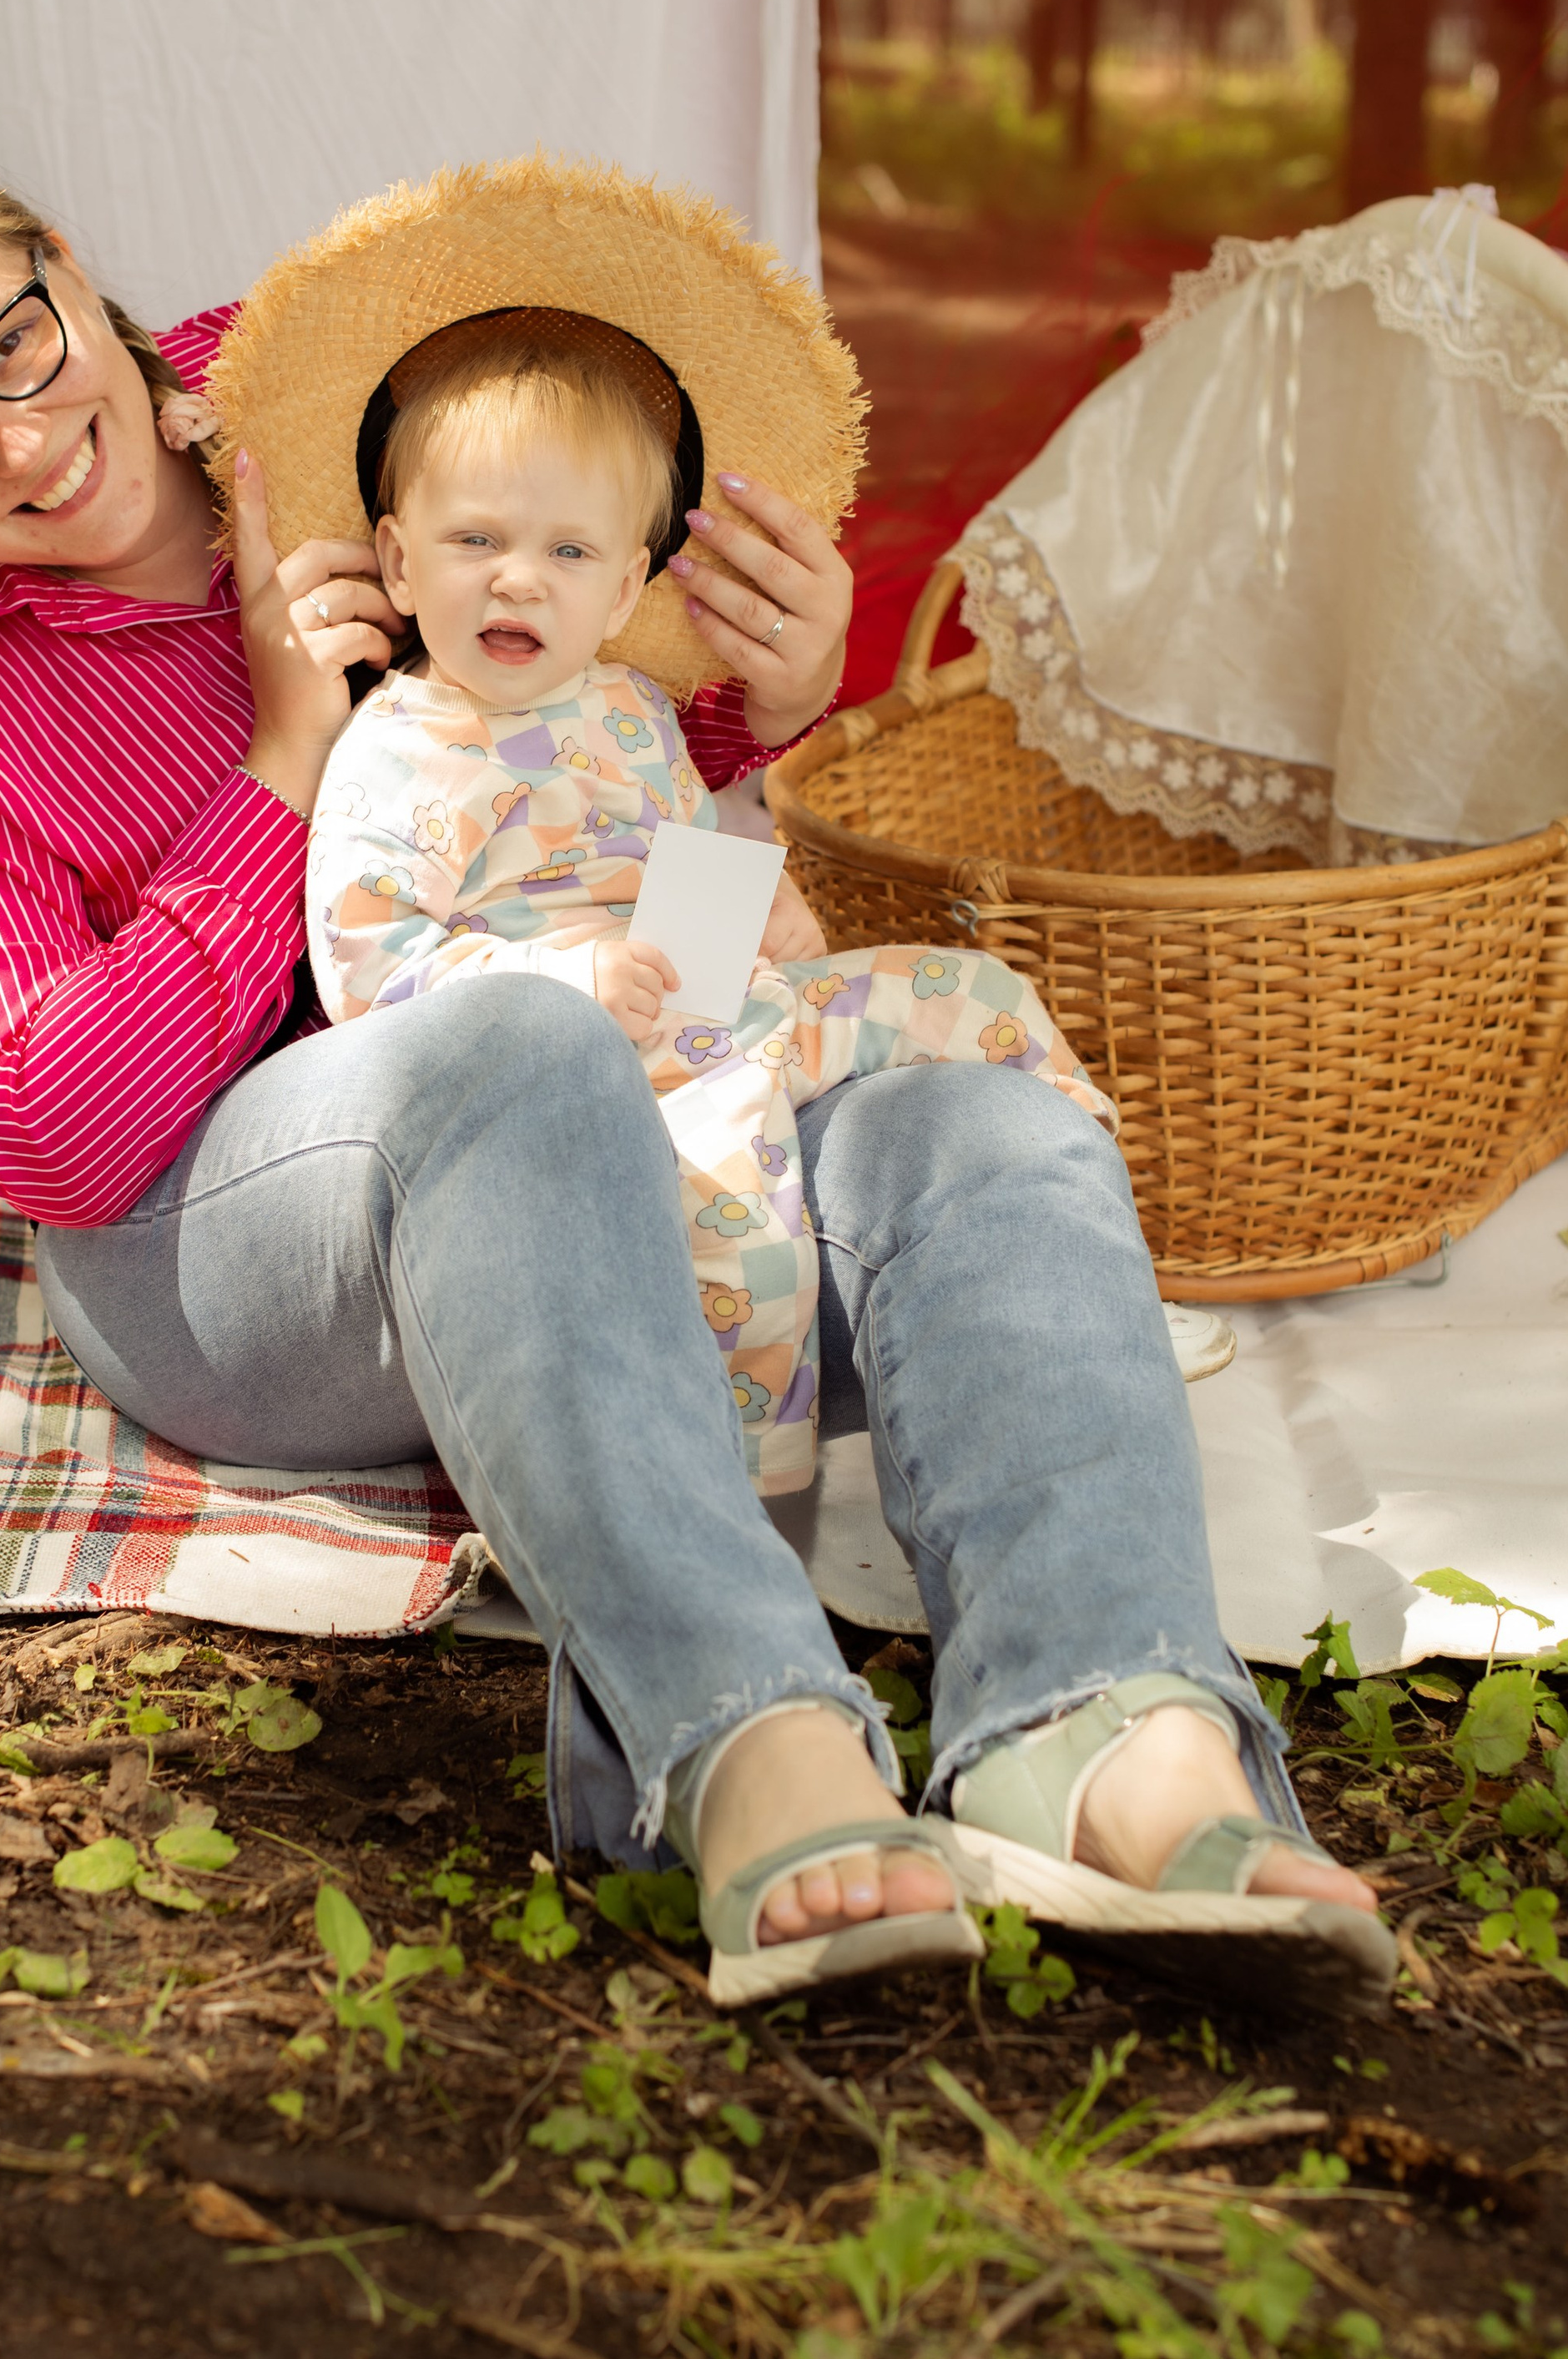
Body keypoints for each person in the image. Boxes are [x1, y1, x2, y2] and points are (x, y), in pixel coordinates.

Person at [0, 140, 1392, 2013]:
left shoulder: (321, 384)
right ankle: (742, 1742)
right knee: (515, 1044)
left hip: (623, 1131)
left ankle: (1104, 1729)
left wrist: (776, 693)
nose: (17, 444)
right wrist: (277, 761)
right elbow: (52, 1133)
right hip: (239, 1246)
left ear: (62, 261)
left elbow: (606, 732)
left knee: (962, 1118)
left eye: (11, 344)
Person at [304, 316, 1115, 1507]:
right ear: (399, 558)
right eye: (474, 538)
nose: (518, 576)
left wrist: (761, 895)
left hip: (732, 1004)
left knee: (976, 990)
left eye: (569, 552)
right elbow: (370, 974)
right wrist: (571, 994)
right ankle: (752, 1481)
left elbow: (675, 850)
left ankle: (1090, 1249)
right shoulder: (394, 753)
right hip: (603, 1077)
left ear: (630, 583)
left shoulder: (630, 705)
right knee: (743, 1201)